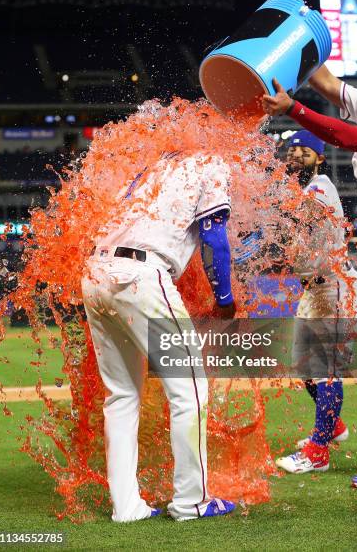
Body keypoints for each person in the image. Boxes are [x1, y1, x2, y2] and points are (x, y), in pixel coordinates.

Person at [262, 58, 357, 488]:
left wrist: (292, 111)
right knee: (334, 360)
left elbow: (343, 135)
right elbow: (324, 82)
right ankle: (345, 435)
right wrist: (301, 40)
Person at [82, 151, 236, 521]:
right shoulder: (212, 162)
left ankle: (126, 507)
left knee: (121, 396)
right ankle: (191, 502)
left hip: (95, 272)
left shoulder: (155, 167)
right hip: (140, 274)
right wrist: (225, 298)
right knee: (190, 389)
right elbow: (215, 239)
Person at [273, 130, 357, 474]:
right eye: (292, 151)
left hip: (336, 288)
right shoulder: (299, 191)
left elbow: (304, 214)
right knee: (302, 366)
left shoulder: (319, 186)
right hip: (313, 290)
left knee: (326, 370)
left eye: (305, 152)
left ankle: (318, 453)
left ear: (320, 159)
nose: (296, 155)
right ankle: (334, 426)